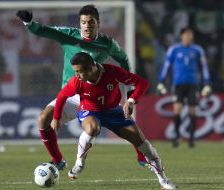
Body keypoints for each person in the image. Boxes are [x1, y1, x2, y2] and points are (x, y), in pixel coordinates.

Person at [16, 5, 148, 170]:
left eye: (91, 22)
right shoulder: (69, 35)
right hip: (71, 94)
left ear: (98, 23)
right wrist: (29, 23)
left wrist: (129, 86)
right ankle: (58, 160)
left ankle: (143, 155)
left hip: (96, 97)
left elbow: (123, 58)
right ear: (80, 23)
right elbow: (44, 31)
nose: (87, 26)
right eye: (84, 22)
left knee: (124, 124)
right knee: (43, 119)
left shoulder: (107, 43)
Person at [52, 52, 178, 190]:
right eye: (75, 71)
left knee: (143, 144)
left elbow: (142, 83)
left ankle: (163, 181)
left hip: (114, 111)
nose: (76, 75)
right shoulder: (76, 82)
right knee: (92, 128)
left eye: (79, 71)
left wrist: (131, 100)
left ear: (92, 67)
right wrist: (56, 118)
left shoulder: (111, 72)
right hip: (90, 111)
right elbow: (61, 96)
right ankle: (80, 162)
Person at [157, 27, 211, 148]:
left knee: (193, 111)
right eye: (187, 35)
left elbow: (204, 67)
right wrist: (161, 81)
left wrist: (207, 83)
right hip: (178, 84)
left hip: (193, 84)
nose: (189, 37)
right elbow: (167, 66)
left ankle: (191, 139)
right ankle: (176, 137)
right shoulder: (174, 49)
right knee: (177, 109)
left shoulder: (197, 50)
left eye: (190, 35)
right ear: (182, 36)